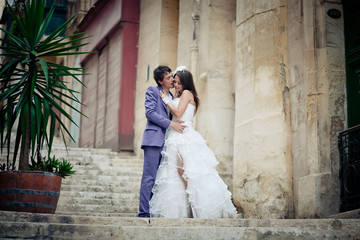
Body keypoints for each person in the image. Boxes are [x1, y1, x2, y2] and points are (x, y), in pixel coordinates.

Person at [149, 66, 237, 218]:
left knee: (185, 171)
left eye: (178, 83)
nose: (176, 85)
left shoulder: (187, 93)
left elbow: (178, 113)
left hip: (183, 135)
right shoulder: (182, 95)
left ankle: (194, 205)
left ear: (186, 83)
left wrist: (166, 100)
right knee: (179, 171)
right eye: (175, 82)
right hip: (176, 134)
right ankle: (188, 206)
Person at [138, 65, 186, 218]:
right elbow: (150, 113)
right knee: (149, 177)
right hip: (153, 140)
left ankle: (153, 210)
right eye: (168, 78)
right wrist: (171, 124)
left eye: (172, 76)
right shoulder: (152, 91)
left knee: (160, 178)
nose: (172, 79)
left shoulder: (172, 97)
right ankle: (144, 213)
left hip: (168, 142)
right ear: (160, 81)